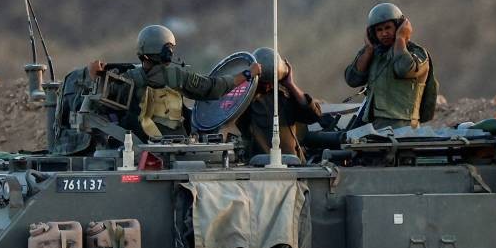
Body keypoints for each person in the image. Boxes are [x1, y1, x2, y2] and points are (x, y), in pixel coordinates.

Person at [96, 24, 258, 139]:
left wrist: (96, 76)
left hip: (136, 146)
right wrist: (247, 74)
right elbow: (213, 88)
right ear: (166, 52)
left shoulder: (128, 78)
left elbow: (102, 105)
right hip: (175, 146)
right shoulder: (176, 76)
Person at [342, 2, 433, 127]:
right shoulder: (374, 53)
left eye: (388, 28)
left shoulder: (417, 53)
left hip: (402, 127)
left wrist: (400, 39)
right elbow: (352, 79)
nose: (384, 33)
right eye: (379, 30)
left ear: (399, 27)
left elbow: (403, 69)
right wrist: (368, 50)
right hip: (373, 126)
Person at [238, 47, 325, 159]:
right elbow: (236, 116)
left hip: (293, 162)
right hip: (262, 163)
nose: (267, 86)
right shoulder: (247, 100)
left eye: (271, 81)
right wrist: (248, 79)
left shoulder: (284, 96)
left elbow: (314, 115)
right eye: (264, 82)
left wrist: (290, 84)